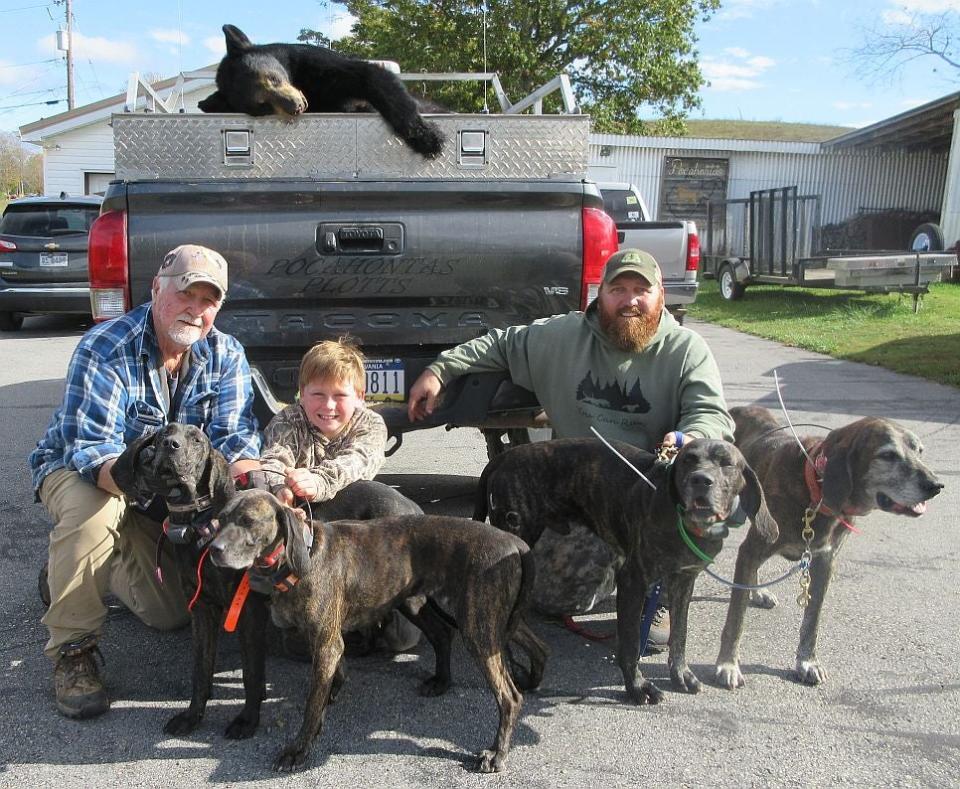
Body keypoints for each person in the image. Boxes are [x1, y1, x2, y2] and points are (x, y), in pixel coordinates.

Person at [407, 248, 735, 643]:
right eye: (618, 289)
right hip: (581, 499)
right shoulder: (559, 336)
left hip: (654, 496)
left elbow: (712, 415)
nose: (630, 300)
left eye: (640, 290)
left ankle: (659, 589)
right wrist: (440, 370)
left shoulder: (686, 349)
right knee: (550, 596)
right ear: (600, 294)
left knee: (706, 493)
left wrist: (688, 438)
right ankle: (617, 565)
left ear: (660, 294)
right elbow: (499, 344)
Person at [29, 244, 261, 720]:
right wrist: (157, 494)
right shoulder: (106, 347)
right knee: (93, 513)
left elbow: (236, 442)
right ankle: (74, 651)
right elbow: (90, 452)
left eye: (208, 301)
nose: (195, 310)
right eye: (185, 295)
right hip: (85, 473)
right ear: (156, 289)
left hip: (163, 498)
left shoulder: (227, 353)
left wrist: (255, 495)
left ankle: (80, 564)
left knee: (174, 613)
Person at [259, 338, 421, 652]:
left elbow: (356, 463)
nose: (328, 405)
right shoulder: (286, 421)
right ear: (301, 394)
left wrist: (317, 481)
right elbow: (273, 459)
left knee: (403, 639)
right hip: (309, 528)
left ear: (360, 397)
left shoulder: (371, 424)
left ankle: (392, 602)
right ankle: (299, 613)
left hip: (356, 533)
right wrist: (279, 489)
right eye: (317, 394)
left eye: (340, 395)